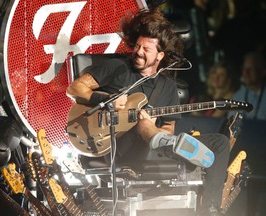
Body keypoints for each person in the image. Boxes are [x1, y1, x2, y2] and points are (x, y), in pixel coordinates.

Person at [66, 9, 230, 216]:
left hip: (153, 150)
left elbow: (169, 126)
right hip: (115, 144)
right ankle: (166, 142)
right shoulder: (118, 68)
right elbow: (74, 88)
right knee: (141, 123)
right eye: (137, 46)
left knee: (220, 144)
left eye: (146, 49)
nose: (139, 51)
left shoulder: (167, 87)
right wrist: (107, 100)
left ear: (160, 56)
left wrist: (160, 132)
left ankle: (211, 209)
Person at [228, 51, 266, 120]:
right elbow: (231, 122)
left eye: (250, 69)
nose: (245, 73)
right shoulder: (238, 95)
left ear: (262, 71)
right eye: (244, 69)